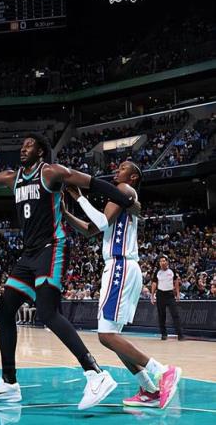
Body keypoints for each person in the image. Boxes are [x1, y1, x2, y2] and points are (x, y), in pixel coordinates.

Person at [0, 134, 141, 409]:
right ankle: (9, 384)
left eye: (29, 145)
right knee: (5, 310)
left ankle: (96, 374)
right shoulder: (12, 178)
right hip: (29, 254)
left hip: (52, 247)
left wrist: (126, 201)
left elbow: (93, 182)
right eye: (22, 145)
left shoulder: (51, 172)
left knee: (47, 312)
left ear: (41, 152)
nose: (23, 149)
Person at [64, 161, 182, 410]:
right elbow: (90, 229)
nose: (117, 170)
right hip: (120, 267)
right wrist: (66, 213)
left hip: (121, 265)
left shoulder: (125, 190)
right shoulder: (120, 197)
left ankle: (163, 371)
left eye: (123, 168)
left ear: (134, 177)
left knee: (106, 335)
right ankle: (150, 390)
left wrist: (81, 198)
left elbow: (101, 223)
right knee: (111, 337)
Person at [151, 255, 184, 340]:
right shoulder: (157, 272)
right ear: (159, 263)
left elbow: (176, 281)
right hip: (160, 294)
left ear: (167, 262)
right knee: (161, 315)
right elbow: (154, 283)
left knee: (175, 314)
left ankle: (180, 334)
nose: (162, 262)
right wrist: (152, 296)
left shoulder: (172, 271)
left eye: (164, 261)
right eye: (161, 261)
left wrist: (177, 293)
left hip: (170, 295)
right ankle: (164, 334)